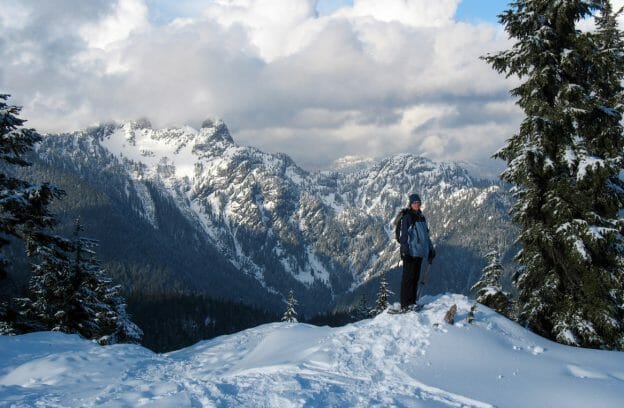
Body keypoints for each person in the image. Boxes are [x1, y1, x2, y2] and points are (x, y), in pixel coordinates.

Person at [398, 193, 435, 311]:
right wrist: (405, 252)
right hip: (410, 252)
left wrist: (430, 249)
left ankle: (412, 302)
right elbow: (404, 236)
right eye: (414, 203)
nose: (417, 204)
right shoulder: (408, 217)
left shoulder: (421, 217)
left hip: (419, 253)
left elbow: (426, 236)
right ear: (410, 204)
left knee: (415, 278)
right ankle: (405, 304)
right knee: (408, 279)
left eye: (418, 203)